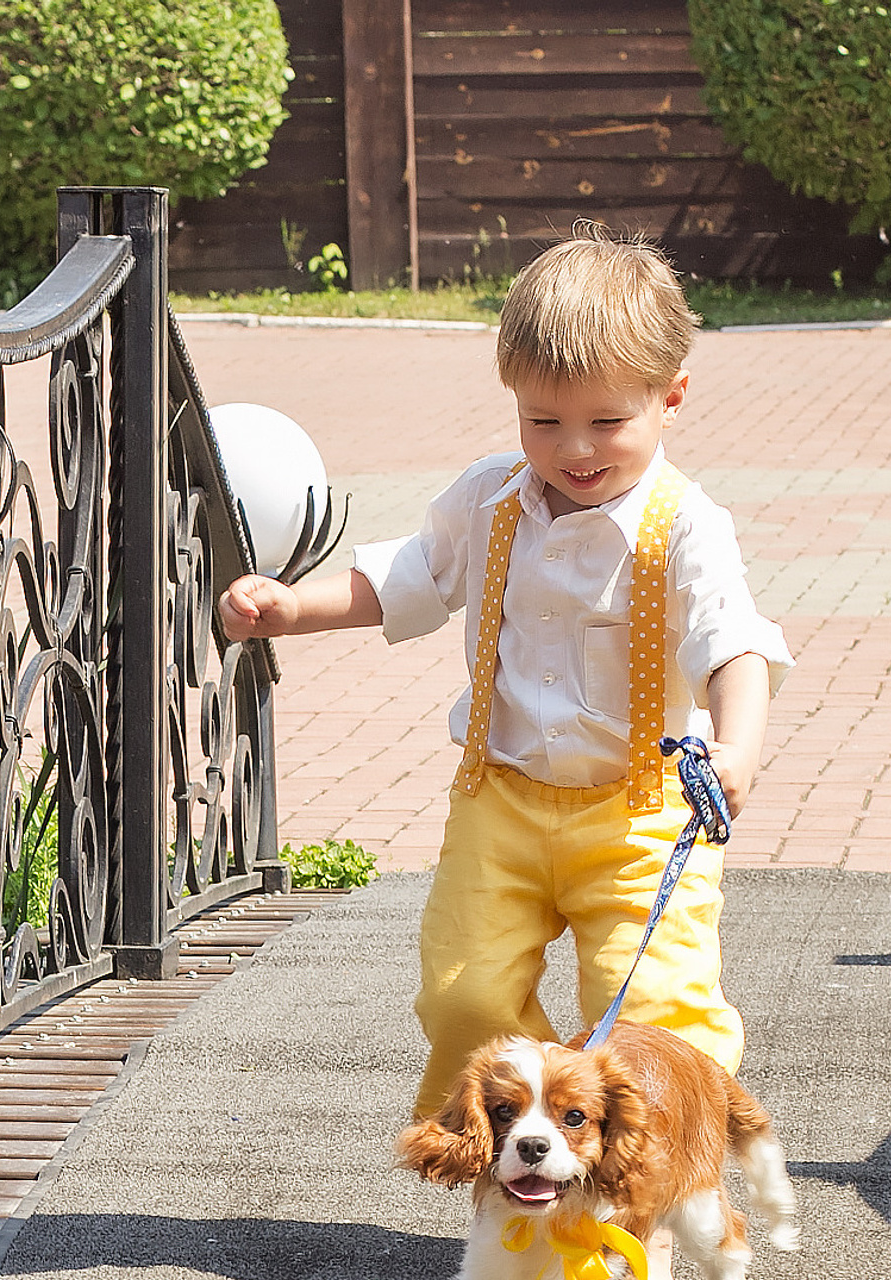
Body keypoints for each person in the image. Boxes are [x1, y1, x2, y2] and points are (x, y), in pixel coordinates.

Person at [217, 228, 793, 1129]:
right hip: (502, 803)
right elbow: (408, 575)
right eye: (543, 421)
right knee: (465, 998)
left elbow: (733, 646)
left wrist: (738, 749)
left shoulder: (688, 525)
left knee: (654, 1011)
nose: (574, 449)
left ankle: (659, 1176)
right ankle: (535, 1136)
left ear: (671, 396)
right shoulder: (490, 498)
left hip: (639, 816)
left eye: (607, 422)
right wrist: (294, 606)